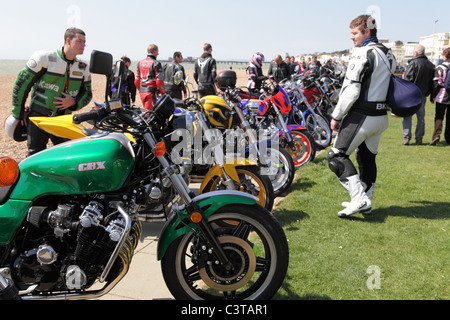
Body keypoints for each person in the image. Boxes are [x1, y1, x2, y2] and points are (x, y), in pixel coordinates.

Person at [327, 14, 396, 218]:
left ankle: (359, 199)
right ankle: (366, 199)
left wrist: (336, 115)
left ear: (367, 31)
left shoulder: (361, 53)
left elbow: (351, 91)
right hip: (381, 116)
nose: (352, 37)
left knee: (336, 156)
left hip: (362, 115)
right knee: (367, 157)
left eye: (355, 33)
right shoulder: (387, 52)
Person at [11, 27, 92, 156]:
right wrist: (18, 112)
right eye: (79, 41)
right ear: (68, 40)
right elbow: (21, 83)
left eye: (84, 42)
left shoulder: (83, 67)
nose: (83, 45)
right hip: (39, 116)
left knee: (68, 156)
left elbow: (88, 93)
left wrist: (74, 102)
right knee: (35, 155)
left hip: (64, 119)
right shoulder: (45, 57)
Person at [401, 45, 435, 145]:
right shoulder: (430, 65)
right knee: (421, 117)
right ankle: (419, 138)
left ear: (415, 53)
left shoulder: (413, 63)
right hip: (423, 95)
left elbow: (407, 79)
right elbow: (433, 82)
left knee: (407, 116)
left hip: (412, 94)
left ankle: (406, 137)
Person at [135, 44, 166, 110]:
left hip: (142, 92)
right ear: (154, 51)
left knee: (146, 112)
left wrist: (140, 90)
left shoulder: (139, 63)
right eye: (157, 51)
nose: (158, 53)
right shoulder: (156, 63)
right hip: (151, 93)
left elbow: (137, 80)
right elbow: (159, 81)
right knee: (150, 115)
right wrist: (164, 93)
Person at [430, 47, 450, 145]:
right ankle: (448, 138)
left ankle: (436, 136)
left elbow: (437, 84)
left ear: (445, 56)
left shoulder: (440, 68)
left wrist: (433, 96)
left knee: (439, 117)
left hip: (442, 95)